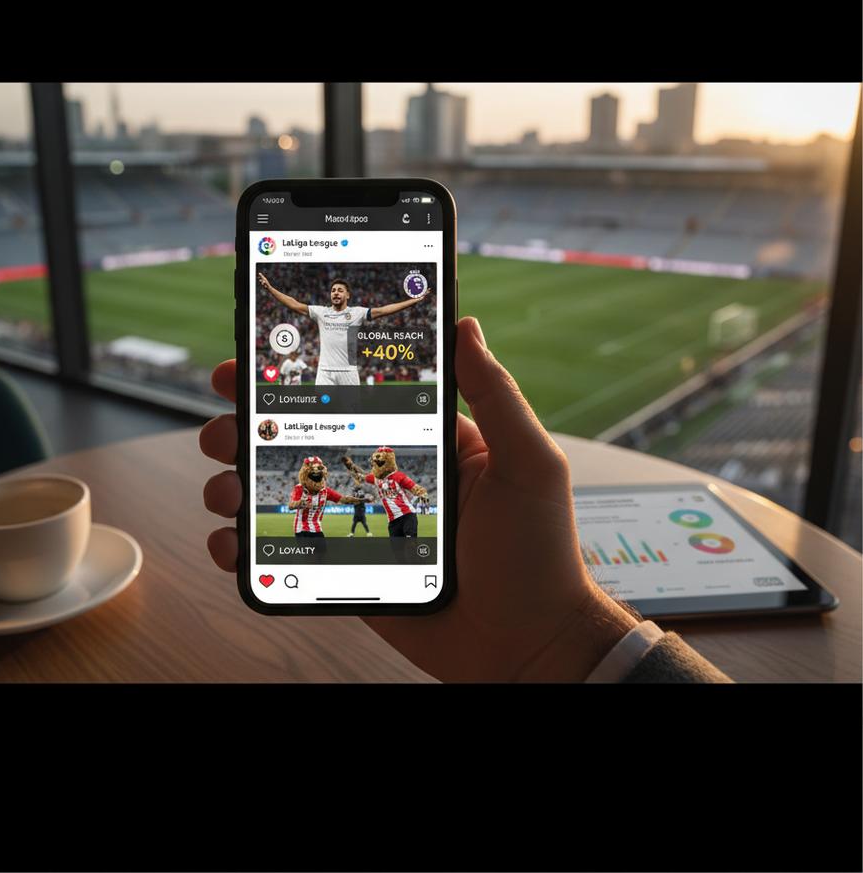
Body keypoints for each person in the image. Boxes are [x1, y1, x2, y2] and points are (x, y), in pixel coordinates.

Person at [200, 316, 732, 683]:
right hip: (343, 530)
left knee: (394, 544)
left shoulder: (398, 481)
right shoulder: (323, 484)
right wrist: (556, 642)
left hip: (406, 528)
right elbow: (346, 483)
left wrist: (556, 637)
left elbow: (404, 488)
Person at [257, 272, 429, 386]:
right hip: (325, 373)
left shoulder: (357, 313)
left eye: (340, 290)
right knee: (324, 416)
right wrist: (271, 289)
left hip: (348, 372)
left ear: (348, 295)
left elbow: (384, 310)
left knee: (351, 416)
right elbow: (295, 304)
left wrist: (413, 301)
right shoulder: (321, 312)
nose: (336, 293)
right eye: (333, 290)